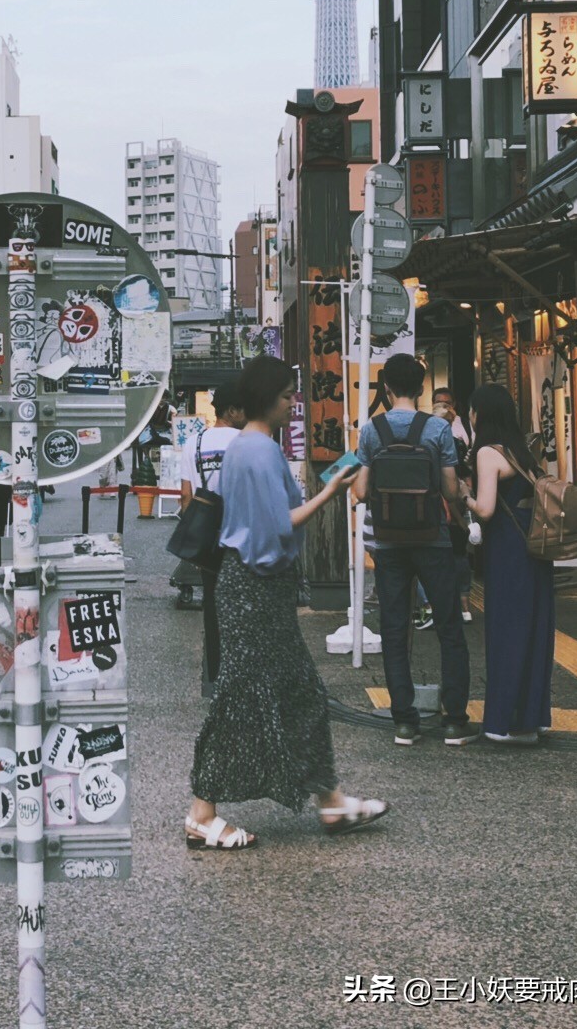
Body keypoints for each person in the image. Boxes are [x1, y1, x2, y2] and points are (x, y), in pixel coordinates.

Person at [186, 356, 387, 850]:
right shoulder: (258, 452)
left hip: (253, 587)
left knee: (299, 693)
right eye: (287, 396)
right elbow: (278, 525)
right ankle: (201, 812)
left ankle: (331, 800)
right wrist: (330, 492)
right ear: (268, 400)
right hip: (255, 588)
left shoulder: (248, 447)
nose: (293, 402)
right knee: (241, 697)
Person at [353, 354, 473, 747]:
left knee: (393, 627)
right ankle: (454, 719)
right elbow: (451, 490)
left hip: (388, 543)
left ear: (385, 388)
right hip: (433, 539)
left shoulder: (372, 431)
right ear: (421, 388)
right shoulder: (438, 428)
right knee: (449, 626)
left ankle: (405, 721)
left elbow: (360, 491)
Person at [462, 383, 554, 745]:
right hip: (535, 552)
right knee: (534, 631)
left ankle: (501, 724)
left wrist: (463, 497)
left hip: (508, 553)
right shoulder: (523, 451)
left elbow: (485, 508)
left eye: (471, 410)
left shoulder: (487, 452)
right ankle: (532, 719)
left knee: (506, 631)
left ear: (479, 414)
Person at [176, 385, 246, 688]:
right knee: (244, 603)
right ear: (232, 411)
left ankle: (217, 675)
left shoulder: (194, 442)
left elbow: (185, 497)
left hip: (207, 536)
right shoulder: (247, 441)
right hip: (242, 532)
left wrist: (196, 530)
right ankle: (243, 673)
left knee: (213, 605)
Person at [432, 387, 473, 623]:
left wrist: (468, 496)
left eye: (447, 404)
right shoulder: (425, 434)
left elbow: (467, 472)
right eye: (438, 404)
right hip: (437, 504)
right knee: (439, 555)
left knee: (458, 553)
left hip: (455, 503)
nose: (443, 408)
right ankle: (443, 604)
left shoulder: (460, 438)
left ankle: (464, 602)